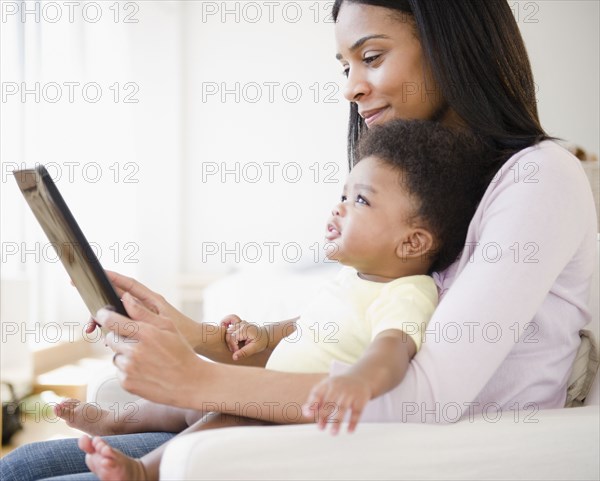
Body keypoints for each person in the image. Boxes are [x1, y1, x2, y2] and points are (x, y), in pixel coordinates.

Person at [0, 1, 596, 480]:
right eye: (345, 66)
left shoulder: (539, 176)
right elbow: (334, 344)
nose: (351, 88)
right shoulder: (429, 183)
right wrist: (193, 335)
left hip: (387, 453)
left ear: (453, 45)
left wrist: (195, 379)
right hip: (320, 432)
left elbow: (423, 395)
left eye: (372, 56)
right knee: (25, 463)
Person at [50, 119, 493, 481]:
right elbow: (306, 329)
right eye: (342, 195)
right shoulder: (354, 278)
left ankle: (145, 471)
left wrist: (361, 381)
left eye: (360, 201)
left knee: (216, 426)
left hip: (285, 418)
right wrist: (264, 334)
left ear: (412, 242)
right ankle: (115, 421)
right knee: (183, 405)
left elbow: (393, 349)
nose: (339, 208)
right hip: (267, 390)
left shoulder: (409, 292)